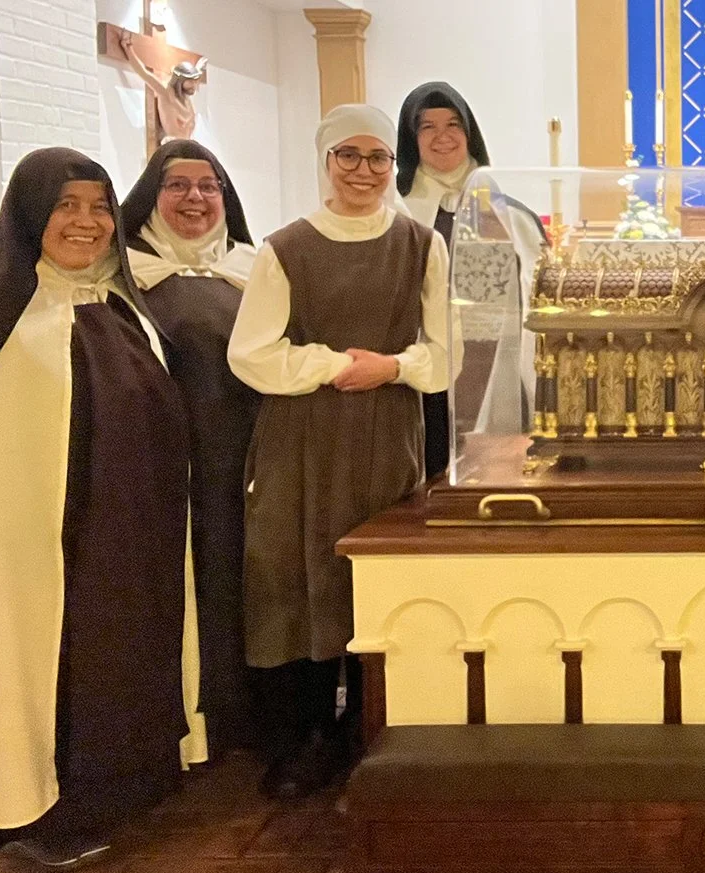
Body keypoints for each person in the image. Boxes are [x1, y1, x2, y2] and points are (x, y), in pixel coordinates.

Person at [0, 147, 200, 865]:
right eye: (66, 206)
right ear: (30, 216)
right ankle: (34, 806)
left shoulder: (121, 306)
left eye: (98, 206)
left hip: (126, 543)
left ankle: (117, 790)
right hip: (35, 559)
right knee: (39, 671)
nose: (86, 222)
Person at [229, 104, 454, 799]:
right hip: (303, 436)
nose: (364, 171)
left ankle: (372, 727)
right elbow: (251, 354)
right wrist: (332, 366)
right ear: (325, 161)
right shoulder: (285, 247)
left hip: (387, 430)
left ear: (394, 165)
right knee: (299, 574)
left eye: (378, 157)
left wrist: (391, 368)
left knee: (378, 579)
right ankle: (306, 738)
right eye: (349, 156)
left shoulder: (421, 244)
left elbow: (444, 358)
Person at [120, 139, 261, 759]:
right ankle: (174, 724)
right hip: (157, 468)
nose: (195, 198)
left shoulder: (255, 270)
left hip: (243, 462)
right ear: (152, 197)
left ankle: (237, 715)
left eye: (209, 186)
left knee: (237, 581)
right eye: (178, 185)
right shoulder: (121, 276)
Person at [397, 81, 485, 479]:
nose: (442, 137)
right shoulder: (395, 208)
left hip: (487, 357)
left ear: (469, 133)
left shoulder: (498, 202)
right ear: (411, 139)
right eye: (427, 127)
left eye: (453, 124)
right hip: (422, 364)